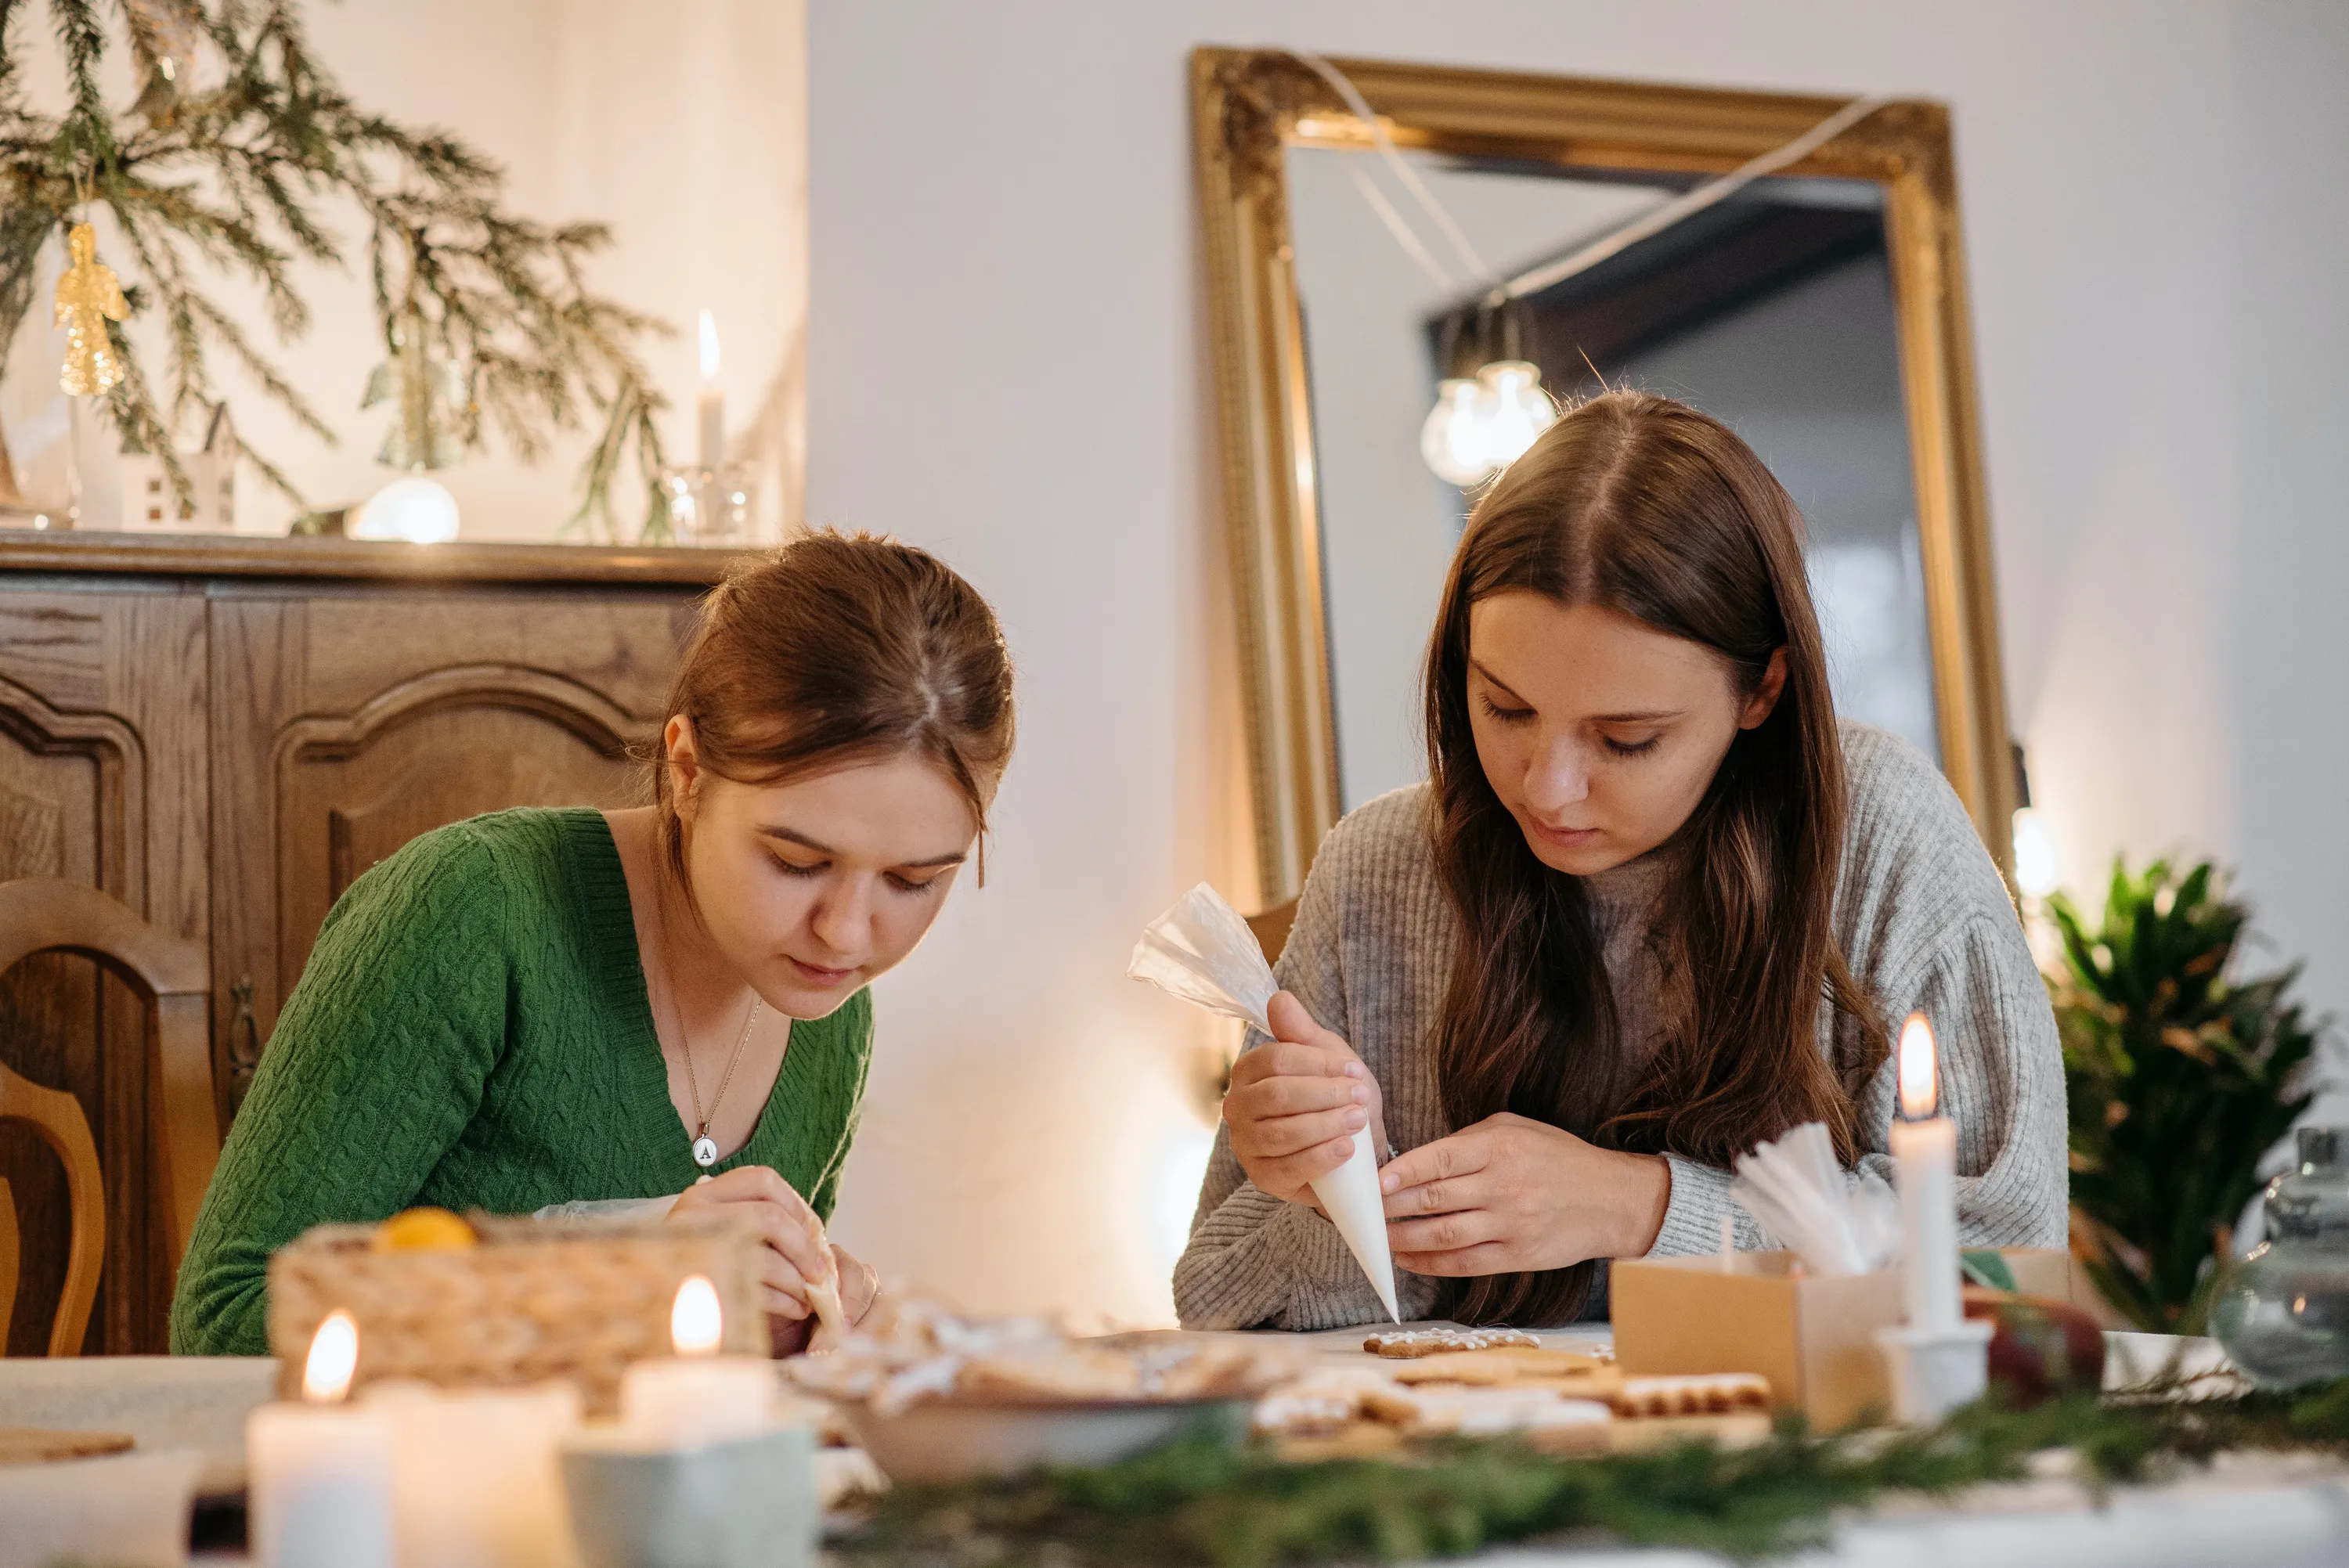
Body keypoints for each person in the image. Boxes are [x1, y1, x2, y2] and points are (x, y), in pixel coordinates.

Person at [1175, 391, 2066, 1330]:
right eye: (1505, 708)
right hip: (1471, 1463)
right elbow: (1217, 1295)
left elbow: (2004, 1269)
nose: (1547, 787)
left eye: (1627, 738)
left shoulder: (1879, 835)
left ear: (1762, 688)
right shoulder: (1379, 870)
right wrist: (1334, 1199)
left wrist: (1638, 1207)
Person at [172, 532, 1015, 1355]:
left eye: (913, 881)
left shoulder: (831, 1010)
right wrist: (614, 1276)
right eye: (796, 861)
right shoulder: (474, 910)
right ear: (687, 770)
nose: (846, 931)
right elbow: (225, 1323)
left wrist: (806, 1323)